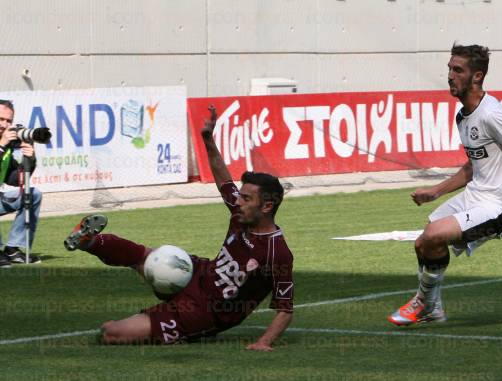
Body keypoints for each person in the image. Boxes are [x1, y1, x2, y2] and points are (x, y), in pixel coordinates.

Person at [64, 106, 294, 350]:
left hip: (203, 313)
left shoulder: (276, 253)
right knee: (146, 256)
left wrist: (263, 342)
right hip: (196, 273)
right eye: (241, 195)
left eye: (246, 198)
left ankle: (155, 322)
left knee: (110, 333)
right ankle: (88, 241)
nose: (238, 201)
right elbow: (223, 178)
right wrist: (208, 139)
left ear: (267, 206)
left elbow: (285, 308)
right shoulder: (241, 214)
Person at [388, 44, 502, 326]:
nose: (450, 76)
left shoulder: (492, 114)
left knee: (433, 236)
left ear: (477, 77)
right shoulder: (463, 116)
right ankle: (433, 309)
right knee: (422, 244)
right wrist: (435, 192)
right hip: (477, 196)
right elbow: (473, 167)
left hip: (501, 208)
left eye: (457, 70)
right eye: (449, 69)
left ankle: (422, 302)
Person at [0, 99, 42, 267]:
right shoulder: (3, 143)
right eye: (1, 119)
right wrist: (2, 144)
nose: (5, 124)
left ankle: (12, 249)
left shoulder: (7, 146)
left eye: (8, 120)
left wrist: (30, 159)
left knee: (33, 194)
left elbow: (15, 180)